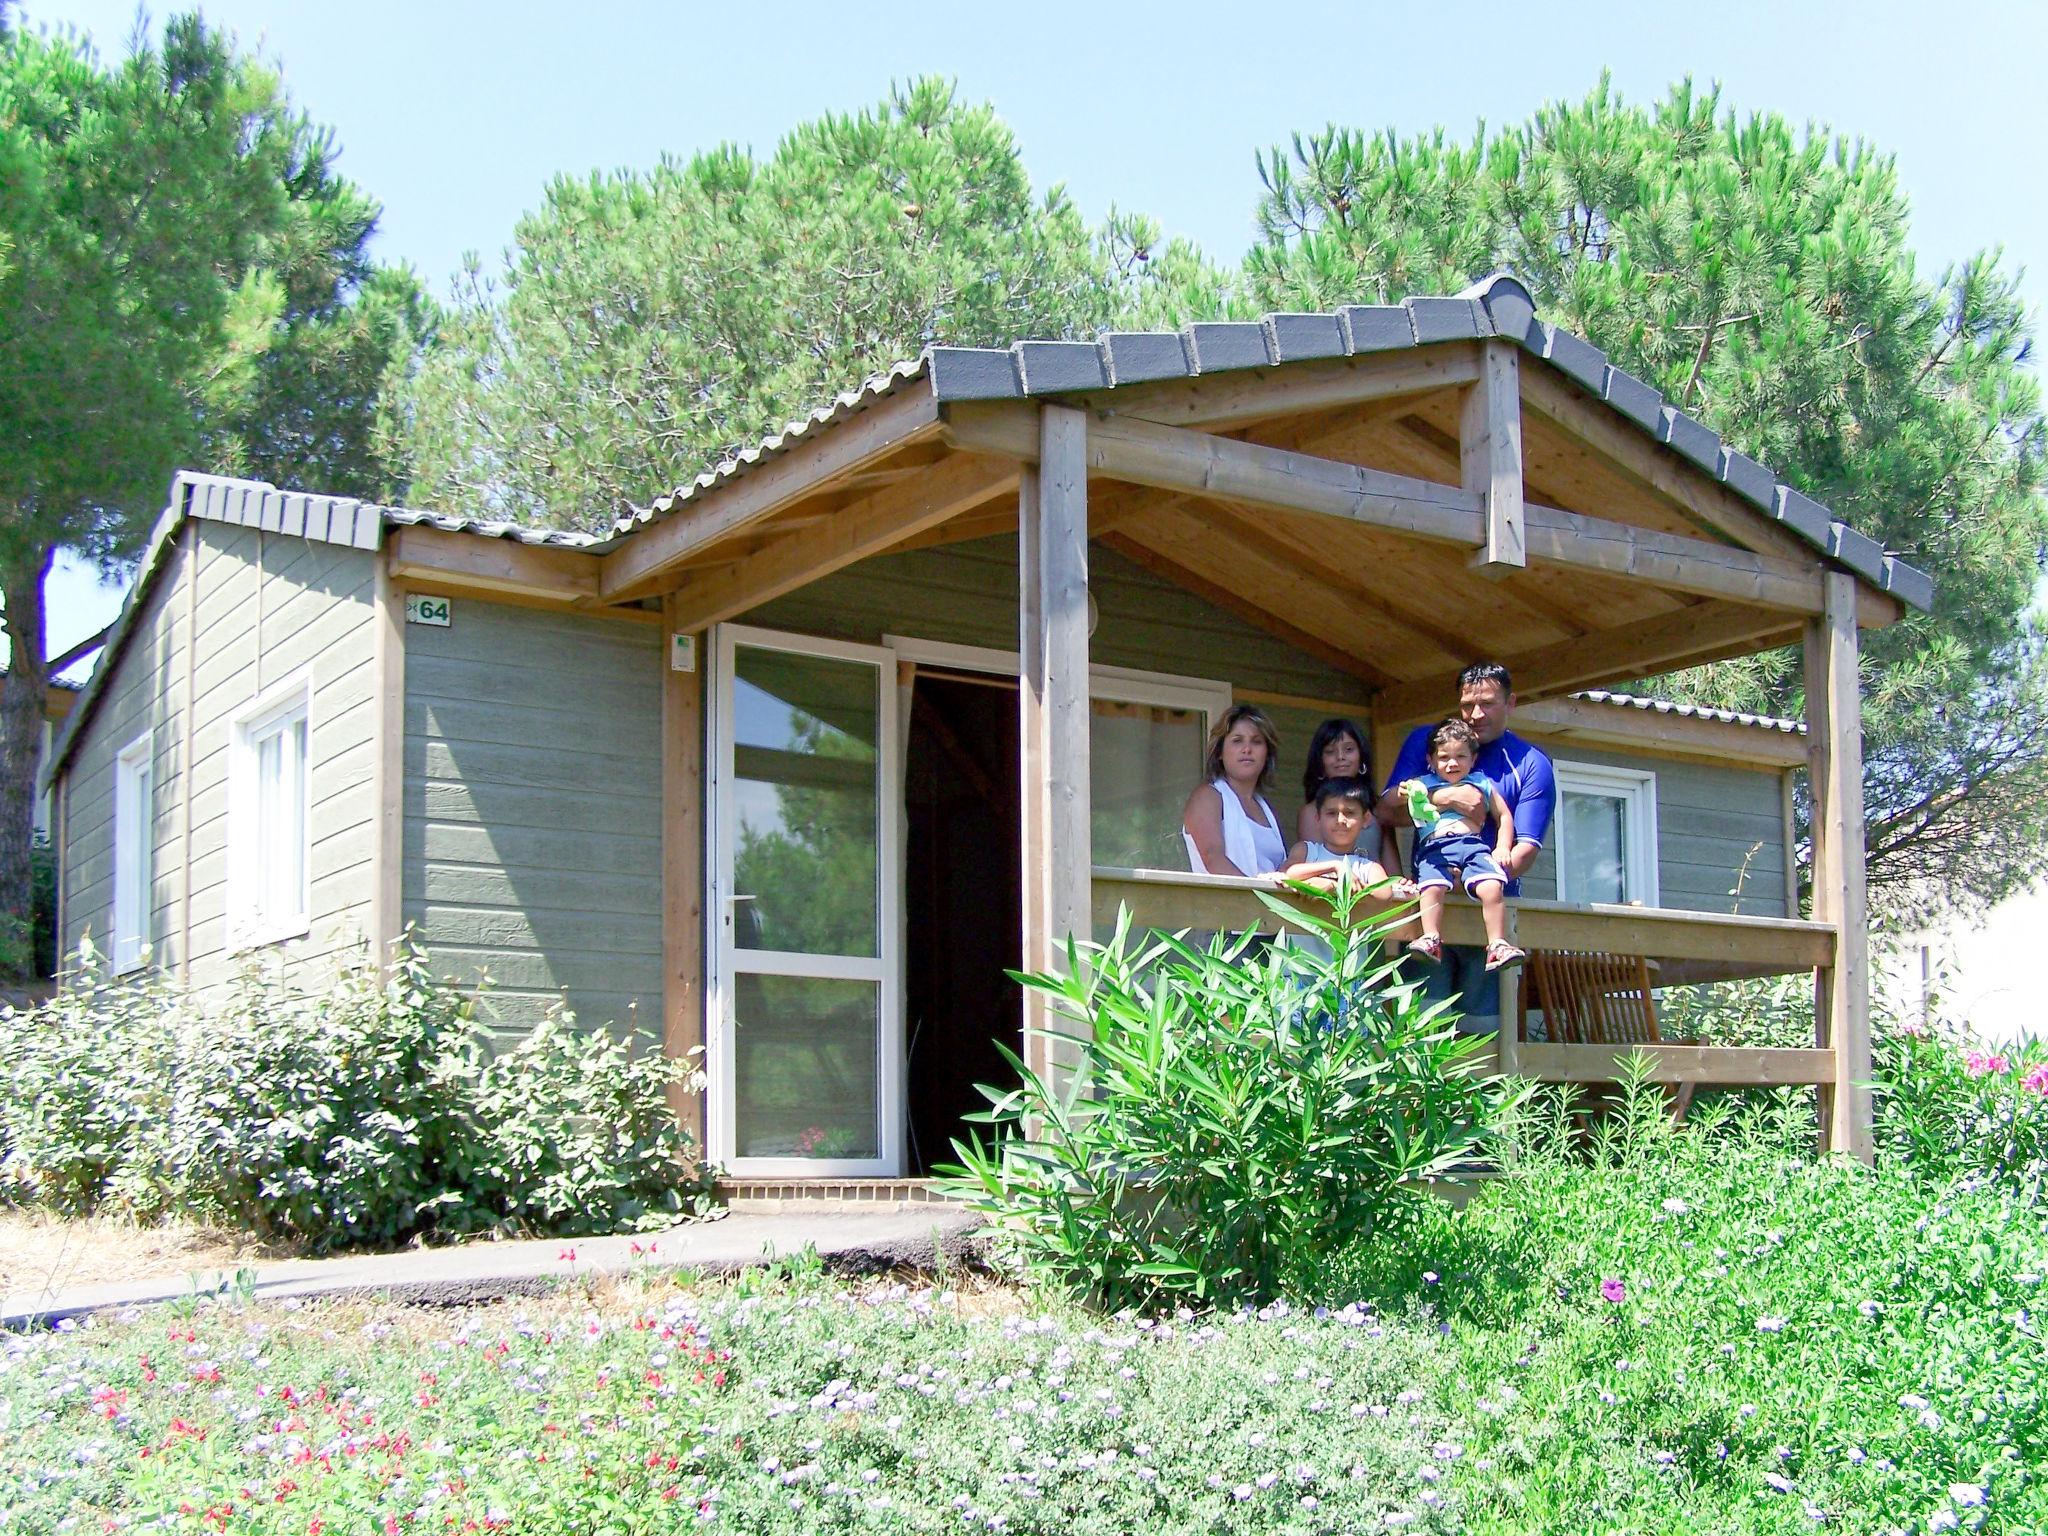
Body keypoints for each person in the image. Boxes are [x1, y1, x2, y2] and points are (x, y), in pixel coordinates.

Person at [1377, 662, 1556, 1035]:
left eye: (1488, 703)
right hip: (1427, 913)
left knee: (1483, 1038)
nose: (1475, 715)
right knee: (1421, 1034)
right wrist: (1448, 797)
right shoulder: (1430, 742)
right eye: (1467, 705)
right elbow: (1385, 811)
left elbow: (1525, 852)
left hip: (1488, 916)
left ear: (1511, 703)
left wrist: (1474, 880)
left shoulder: (1530, 763)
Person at [1399, 719, 1526, 972]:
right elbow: (1399, 797)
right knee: (1431, 888)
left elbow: (1503, 816)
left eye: (1460, 756)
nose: (1452, 763)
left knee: (1492, 886)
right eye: (1444, 757)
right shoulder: (1423, 784)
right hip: (1435, 848)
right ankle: (1431, 938)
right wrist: (1407, 791)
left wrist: (1502, 847)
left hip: (1472, 846)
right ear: (1431, 760)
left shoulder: (1481, 783)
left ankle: (1498, 944)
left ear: (1473, 759)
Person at [1182, 703, 1288, 877]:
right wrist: (1257, 900)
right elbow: (1212, 858)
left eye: (1257, 741)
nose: (1247, 749)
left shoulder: (1264, 808)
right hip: (1228, 903)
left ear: (1267, 753)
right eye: (1237, 741)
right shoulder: (1208, 795)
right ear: (1220, 752)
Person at [1278, 776, 1412, 898]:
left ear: (1365, 819)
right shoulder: (1307, 851)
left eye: (1349, 813)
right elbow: (1287, 873)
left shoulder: (1366, 866)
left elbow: (1384, 893)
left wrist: (1337, 887)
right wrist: (1336, 866)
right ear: (1318, 818)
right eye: (1331, 813)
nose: (1340, 820)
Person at [1295, 717, 1368, 844]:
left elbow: (1391, 862)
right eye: (1330, 751)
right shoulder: (1311, 812)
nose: (1340, 757)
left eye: (1349, 749)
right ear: (1320, 761)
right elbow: (1313, 859)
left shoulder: (1378, 809)